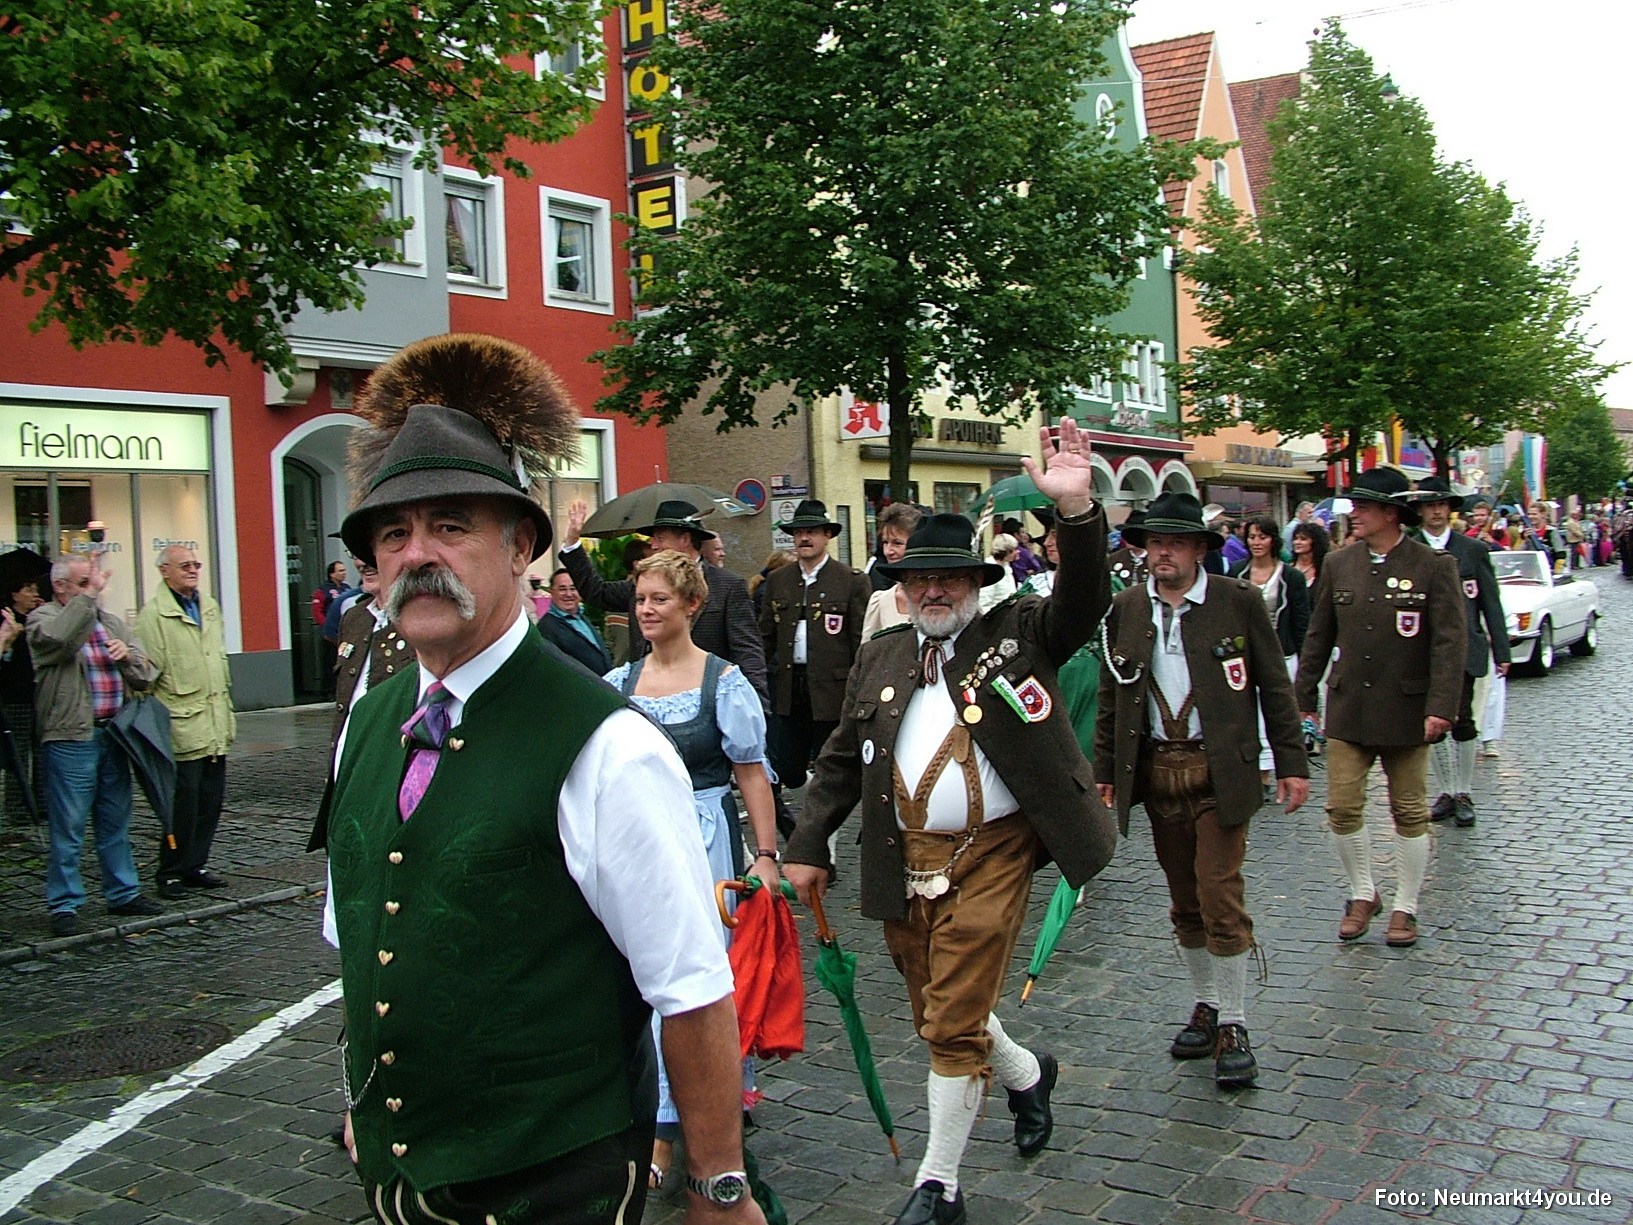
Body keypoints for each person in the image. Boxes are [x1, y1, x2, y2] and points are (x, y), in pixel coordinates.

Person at [320, 334, 765, 1225]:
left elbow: (690, 987)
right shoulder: (368, 721)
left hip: (555, 1177)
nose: (417, 554)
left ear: (522, 542)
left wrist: (718, 1185)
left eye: (450, 525)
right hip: (399, 1178)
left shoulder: (606, 743)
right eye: (394, 534)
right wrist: (367, 1093)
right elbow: (362, 935)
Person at [783, 420, 1118, 1225]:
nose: (934, 592)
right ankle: (1027, 1074)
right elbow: (837, 758)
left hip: (995, 851)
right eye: (920, 580)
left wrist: (1075, 512)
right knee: (941, 1006)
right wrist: (804, 844)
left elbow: (1084, 601)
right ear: (901, 587)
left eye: (951, 580)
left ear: (976, 582)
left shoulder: (1020, 632)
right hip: (900, 854)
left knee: (952, 1017)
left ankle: (938, 1186)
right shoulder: (884, 652)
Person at [1093, 493, 1309, 1088]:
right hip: (1158, 774)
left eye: (1175, 542)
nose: (1161, 551)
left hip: (1222, 773)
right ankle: (1207, 1004)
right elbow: (1114, 697)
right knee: (1184, 900)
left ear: (1199, 550)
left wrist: (1290, 762)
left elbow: (1273, 686)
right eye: (1152, 542)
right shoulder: (1126, 609)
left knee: (1219, 893)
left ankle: (1235, 1021)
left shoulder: (1237, 603)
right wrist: (1106, 771)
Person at [606, 549, 780, 1193]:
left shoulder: (722, 683)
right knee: (639, 974)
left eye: (658, 599)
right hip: (641, 839)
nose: (646, 610)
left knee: (699, 980)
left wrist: (764, 856)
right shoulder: (617, 684)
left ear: (691, 606)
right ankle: (655, 1120)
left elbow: (750, 773)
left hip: (705, 842)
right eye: (640, 599)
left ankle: (692, 1126)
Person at [1296, 468, 1463, 950]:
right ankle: (1362, 893)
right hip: (1350, 706)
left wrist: (1441, 707)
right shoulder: (1339, 564)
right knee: (1342, 807)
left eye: (1364, 507)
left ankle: (1406, 905)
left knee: (1409, 810)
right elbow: (1319, 634)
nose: (1355, 515)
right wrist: (1304, 696)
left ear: (1391, 513)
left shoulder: (1434, 566)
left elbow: (1449, 644)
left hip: (1409, 710)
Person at [29, 554, 163, 937]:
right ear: (60, 586)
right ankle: (64, 903)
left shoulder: (110, 622)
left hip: (114, 735)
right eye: (86, 582)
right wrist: (87, 601)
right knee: (68, 825)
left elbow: (147, 669)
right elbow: (59, 641)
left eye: (95, 583)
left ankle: (122, 892)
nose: (97, 590)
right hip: (71, 738)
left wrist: (128, 658)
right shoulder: (43, 620)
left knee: (115, 820)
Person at [560, 499, 769, 704]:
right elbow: (597, 592)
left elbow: (747, 651)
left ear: (685, 539)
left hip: (702, 706)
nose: (653, 545)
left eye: (660, 538)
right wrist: (572, 544)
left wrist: (757, 706)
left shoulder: (727, 586)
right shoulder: (644, 582)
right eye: (642, 600)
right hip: (648, 698)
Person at [135, 547, 235, 899]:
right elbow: (146, 677)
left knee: (210, 801)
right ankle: (171, 870)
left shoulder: (208, 606)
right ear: (165, 571)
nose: (193, 570)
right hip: (182, 727)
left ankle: (195, 864)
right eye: (185, 566)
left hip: (214, 724)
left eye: (196, 564)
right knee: (181, 805)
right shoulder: (153, 617)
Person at [1413, 479, 1510, 828]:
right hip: (1422, 651)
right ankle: (1445, 790)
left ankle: (1464, 790)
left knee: (1464, 720)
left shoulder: (1472, 550)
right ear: (1420, 510)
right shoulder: (1410, 549)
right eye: (1430, 505)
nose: (1437, 511)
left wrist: (1501, 648)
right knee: (1432, 722)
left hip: (1465, 648)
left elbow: (1490, 602)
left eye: (1442, 504)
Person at [758, 499, 871, 792]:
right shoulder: (779, 580)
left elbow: (860, 641)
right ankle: (810, 790)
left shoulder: (851, 581)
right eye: (798, 533)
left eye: (811, 532)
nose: (804, 538)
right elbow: (765, 636)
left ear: (827, 536)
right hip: (788, 686)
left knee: (830, 762)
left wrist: (859, 690)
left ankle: (824, 824)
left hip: (832, 690)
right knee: (786, 766)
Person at [1228, 516, 1310, 800]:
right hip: (1246, 655)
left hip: (1282, 653)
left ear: (1273, 539)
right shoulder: (1237, 572)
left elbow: (1301, 622)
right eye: (1252, 537)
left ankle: (1285, 769)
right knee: (1251, 714)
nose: (1257, 542)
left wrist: (1306, 662)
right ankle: (1260, 774)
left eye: (1262, 537)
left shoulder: (1291, 577)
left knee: (1279, 712)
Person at [1, 561, 48, 828]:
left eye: (34, 589)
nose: (32, 594)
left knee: (42, 753)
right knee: (18, 755)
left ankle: (42, 804)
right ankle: (17, 808)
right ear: (14, 594)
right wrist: (10, 640)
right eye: (27, 589)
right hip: (15, 697)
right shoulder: (7, 621)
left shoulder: (38, 619)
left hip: (39, 694)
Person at [535, 568, 613, 675]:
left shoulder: (582, 618)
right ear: (551, 592)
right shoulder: (546, 627)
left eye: (573, 588)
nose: (568, 594)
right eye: (562, 589)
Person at [863, 504, 925, 635]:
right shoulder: (880, 601)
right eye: (885, 542)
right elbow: (868, 652)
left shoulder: (942, 596)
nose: (888, 551)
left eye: (897, 543)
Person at [1105, 509, 1149, 588]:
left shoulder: (1155, 559)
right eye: (1126, 534)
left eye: (1134, 535)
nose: (1128, 539)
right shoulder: (1113, 559)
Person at [976, 534, 1018, 614]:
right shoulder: (990, 571)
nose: (1018, 551)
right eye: (1014, 549)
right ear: (1006, 552)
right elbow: (983, 603)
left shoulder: (1007, 567)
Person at [1289, 520, 1329, 587]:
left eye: (1303, 539)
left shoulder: (1324, 569)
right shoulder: (1287, 569)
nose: (1297, 542)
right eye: (1295, 538)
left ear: (1315, 542)